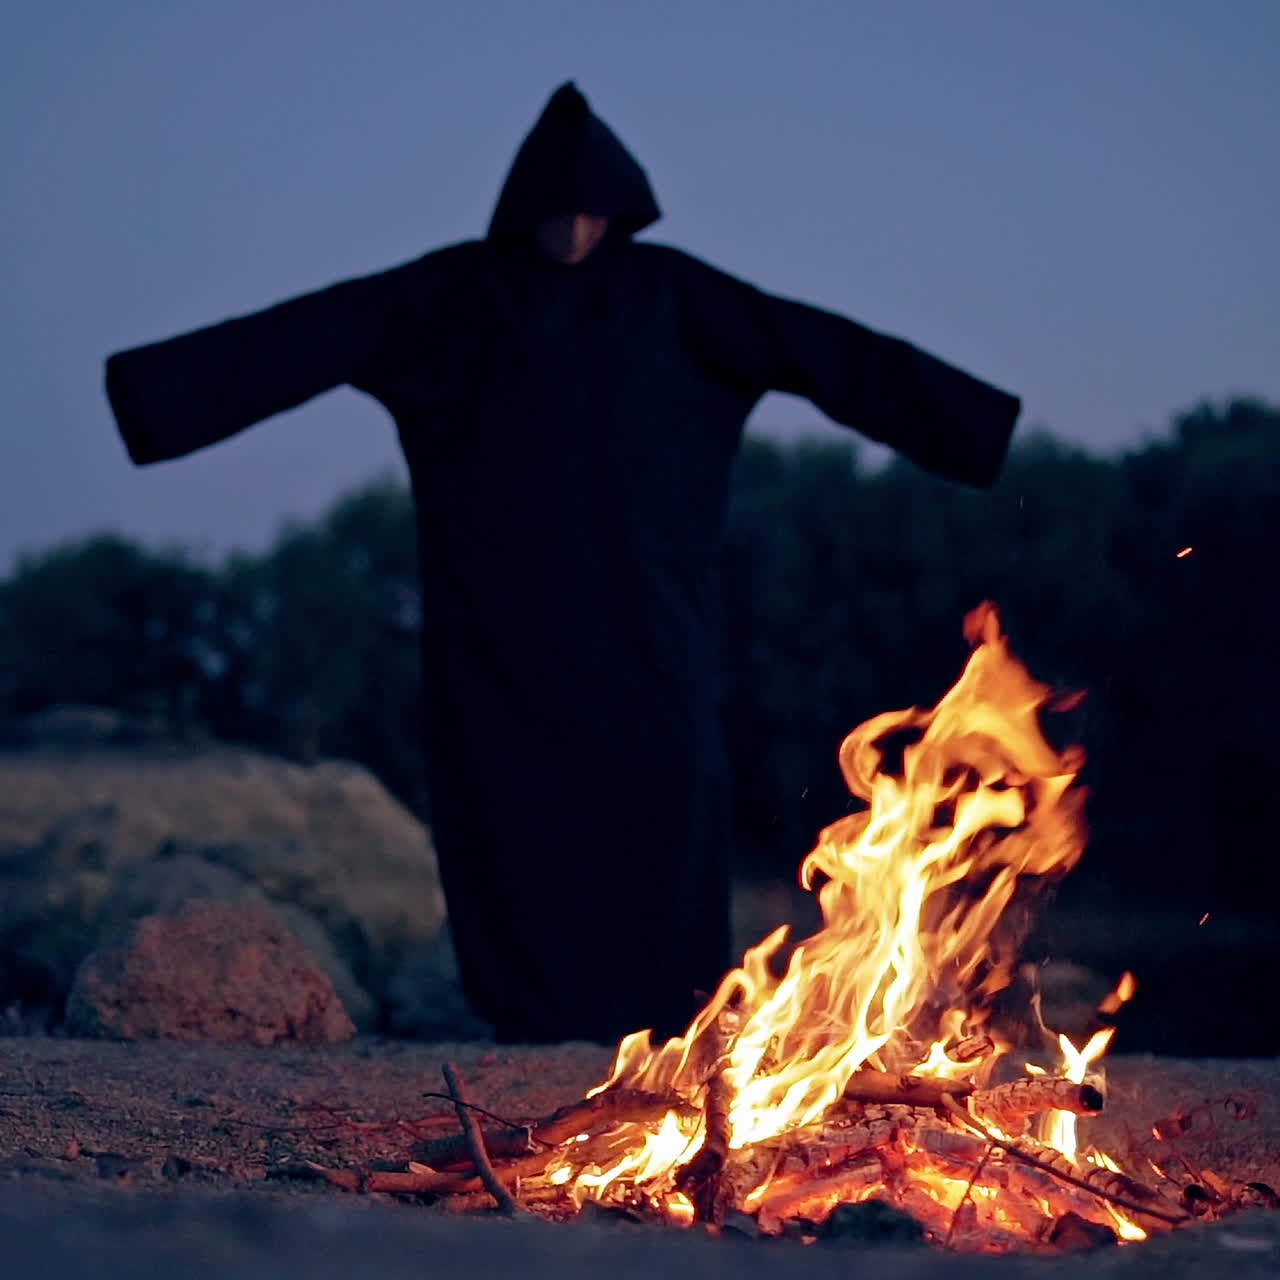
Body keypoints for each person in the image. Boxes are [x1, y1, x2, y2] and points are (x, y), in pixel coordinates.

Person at [104, 82, 1020, 1045]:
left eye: (594, 210)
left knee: (660, 836)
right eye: (558, 210)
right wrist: (152, 399)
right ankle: (530, 1029)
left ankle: (671, 1038)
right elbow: (299, 340)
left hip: (651, 643)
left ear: (621, 209)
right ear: (521, 209)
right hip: (500, 652)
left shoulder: (675, 300)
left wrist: (970, 428)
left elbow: (828, 353)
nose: (577, 228)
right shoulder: (450, 299)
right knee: (513, 837)